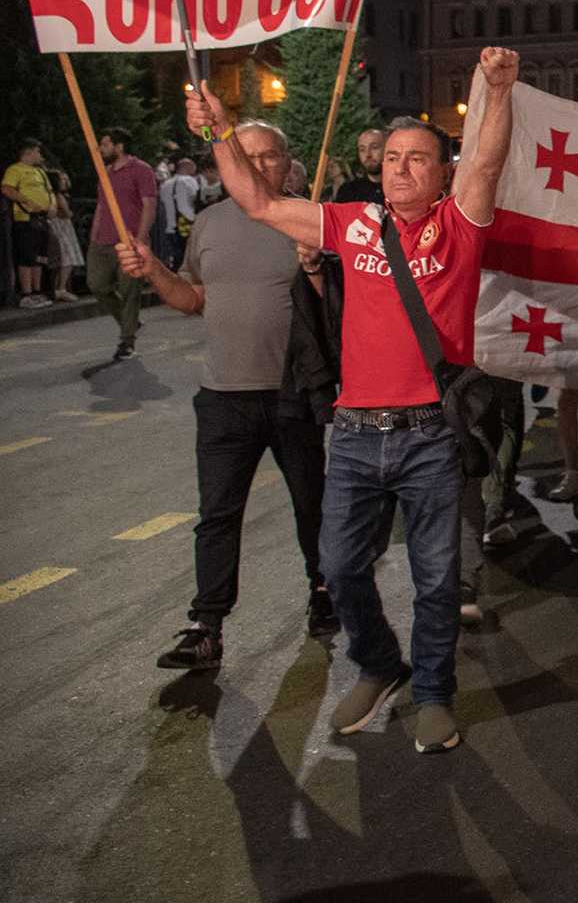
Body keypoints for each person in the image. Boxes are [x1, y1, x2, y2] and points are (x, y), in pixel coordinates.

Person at [183, 45, 521, 756]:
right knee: (338, 568)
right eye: (392, 156)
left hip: (430, 433)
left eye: (417, 158)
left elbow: (487, 162)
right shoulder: (351, 223)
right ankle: (380, 665)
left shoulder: (458, 227)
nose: (400, 166)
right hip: (358, 435)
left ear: (441, 173)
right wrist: (220, 129)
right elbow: (260, 201)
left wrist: (498, 89)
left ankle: (433, 693)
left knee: (434, 581)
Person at [114, 121, 335, 668]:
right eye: (246, 157)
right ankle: (205, 625)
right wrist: (154, 270)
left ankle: (326, 592)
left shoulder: (312, 221)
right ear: (228, 162)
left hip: (293, 394)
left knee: (314, 505)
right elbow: (193, 299)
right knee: (216, 515)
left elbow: (342, 309)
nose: (258, 167)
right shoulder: (210, 223)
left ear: (288, 163)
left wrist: (316, 267)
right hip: (223, 396)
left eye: (268, 157)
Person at [87, 129, 159, 360]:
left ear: (119, 147)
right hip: (103, 241)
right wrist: (94, 234)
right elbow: (101, 205)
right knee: (97, 285)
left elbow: (149, 205)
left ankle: (127, 340)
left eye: (105, 144)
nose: (101, 148)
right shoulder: (104, 173)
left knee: (130, 291)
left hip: (129, 241)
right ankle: (131, 322)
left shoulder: (142, 170)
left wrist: (141, 237)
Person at [3, 139, 53, 309]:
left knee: (39, 257)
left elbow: (49, 191)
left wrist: (52, 205)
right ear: (29, 152)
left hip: (42, 218)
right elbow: (7, 189)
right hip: (25, 219)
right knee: (27, 256)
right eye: (38, 152)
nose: (40, 156)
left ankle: (37, 291)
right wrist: (26, 201)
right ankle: (26, 294)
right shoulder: (15, 169)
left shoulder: (40, 172)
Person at [156, 158, 200, 271]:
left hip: (169, 228)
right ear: (188, 167)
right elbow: (195, 200)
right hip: (186, 226)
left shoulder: (165, 184)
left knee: (176, 259)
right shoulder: (189, 180)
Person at [45, 170, 81, 303]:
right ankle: (61, 288)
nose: (65, 182)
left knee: (61, 258)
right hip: (62, 227)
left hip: (59, 226)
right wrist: (70, 213)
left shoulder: (53, 195)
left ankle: (58, 288)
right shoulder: (58, 196)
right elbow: (66, 213)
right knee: (67, 256)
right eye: (62, 180)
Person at [333, 126, 387, 204]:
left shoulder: (401, 186)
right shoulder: (348, 191)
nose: (368, 155)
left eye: (374, 148)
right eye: (362, 150)